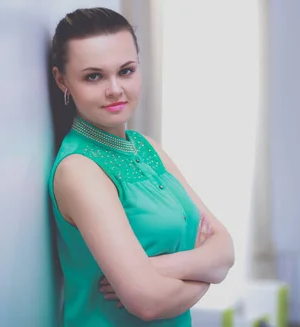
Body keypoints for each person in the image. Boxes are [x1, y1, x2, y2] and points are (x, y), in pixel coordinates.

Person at [48, 7, 235, 326]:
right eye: (94, 76)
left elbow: (225, 250)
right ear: (62, 80)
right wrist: (205, 276)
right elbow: (146, 301)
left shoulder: (149, 148)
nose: (115, 89)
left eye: (126, 71)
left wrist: (159, 269)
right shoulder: (79, 169)